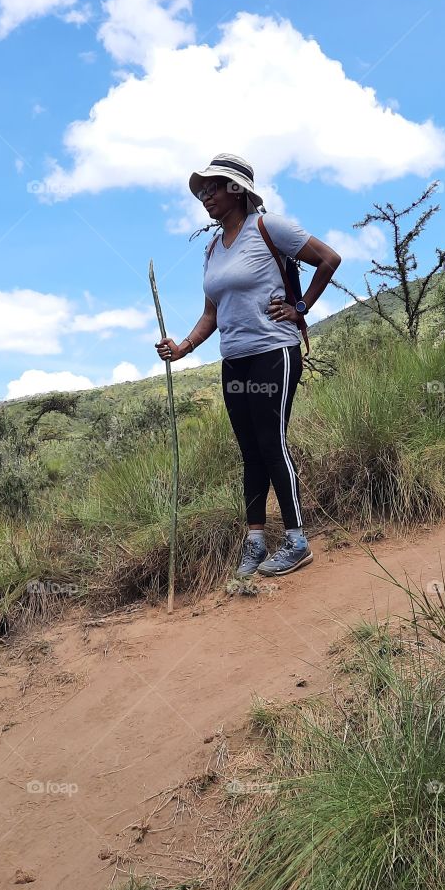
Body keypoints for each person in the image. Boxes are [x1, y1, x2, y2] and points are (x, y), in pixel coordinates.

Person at [155, 153, 341, 578]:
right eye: (201, 190)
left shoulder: (268, 227)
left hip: (273, 351)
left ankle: (296, 541)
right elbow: (212, 313)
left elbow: (329, 258)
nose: (206, 196)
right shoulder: (212, 249)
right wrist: (182, 347)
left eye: (213, 187)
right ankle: (255, 541)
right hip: (234, 360)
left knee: (271, 441)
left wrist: (300, 307)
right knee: (249, 451)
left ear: (236, 189)